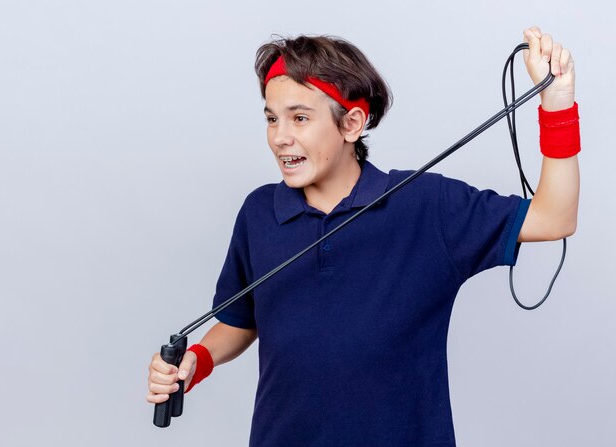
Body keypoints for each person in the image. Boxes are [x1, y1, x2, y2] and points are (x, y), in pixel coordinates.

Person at [147, 26, 580, 446]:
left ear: (351, 123)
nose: (280, 137)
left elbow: (553, 218)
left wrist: (557, 106)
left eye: (300, 117)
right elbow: (241, 319)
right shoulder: (259, 212)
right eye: (271, 118)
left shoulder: (425, 204)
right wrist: (198, 360)